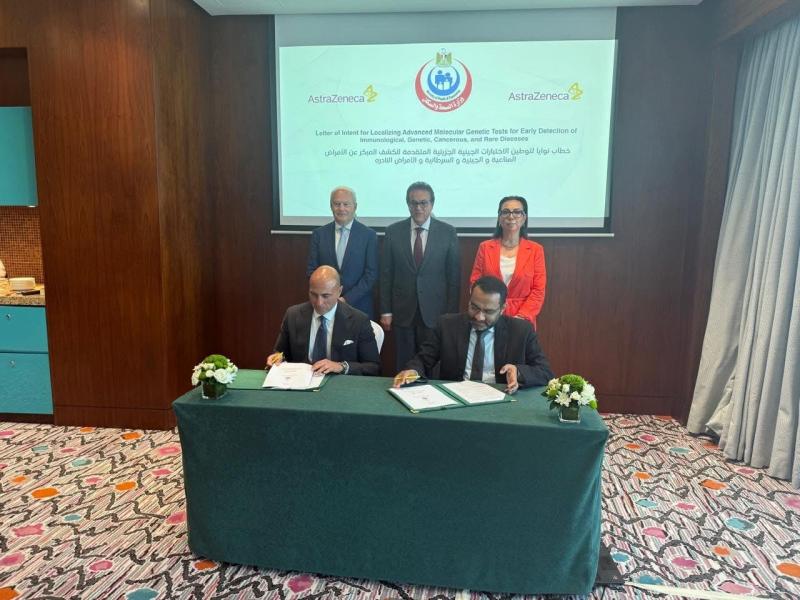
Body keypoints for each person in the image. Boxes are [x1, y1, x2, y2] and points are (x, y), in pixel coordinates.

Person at [394, 276, 553, 394]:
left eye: (488, 312)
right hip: (456, 396)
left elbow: (545, 373)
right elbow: (423, 360)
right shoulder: (447, 325)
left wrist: (518, 371)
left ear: (502, 309)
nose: (479, 317)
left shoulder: (521, 330)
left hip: (502, 396)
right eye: (474, 307)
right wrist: (413, 371)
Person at [380, 181, 460, 370]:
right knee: (404, 364)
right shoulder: (393, 232)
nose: (418, 208)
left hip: (435, 312)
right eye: (413, 203)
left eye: (423, 203)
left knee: (432, 364)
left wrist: (451, 316)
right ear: (408, 204)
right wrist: (386, 311)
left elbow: (454, 279)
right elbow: (386, 275)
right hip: (403, 311)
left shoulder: (448, 232)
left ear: (432, 204)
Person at [266, 266, 380, 376]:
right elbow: (280, 353)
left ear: (339, 291)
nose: (319, 303)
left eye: (325, 296)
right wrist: (276, 358)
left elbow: (373, 367)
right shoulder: (293, 315)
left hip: (339, 383)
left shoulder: (359, 321)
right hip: (301, 382)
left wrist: (341, 366)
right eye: (314, 295)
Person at [469, 196, 546, 329]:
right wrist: (487, 311)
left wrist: (522, 317)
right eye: (505, 212)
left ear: (524, 218)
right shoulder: (485, 247)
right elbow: (475, 282)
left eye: (517, 212)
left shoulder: (536, 250)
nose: (511, 216)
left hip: (523, 318)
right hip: (489, 315)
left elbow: (538, 291)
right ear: (499, 218)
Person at [306, 186, 378, 318]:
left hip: (359, 307)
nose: (341, 208)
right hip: (325, 306)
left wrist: (346, 299)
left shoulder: (369, 235)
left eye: (346, 204)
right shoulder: (319, 235)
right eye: (337, 204)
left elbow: (371, 275)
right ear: (331, 206)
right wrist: (329, 297)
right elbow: (312, 270)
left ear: (355, 207)